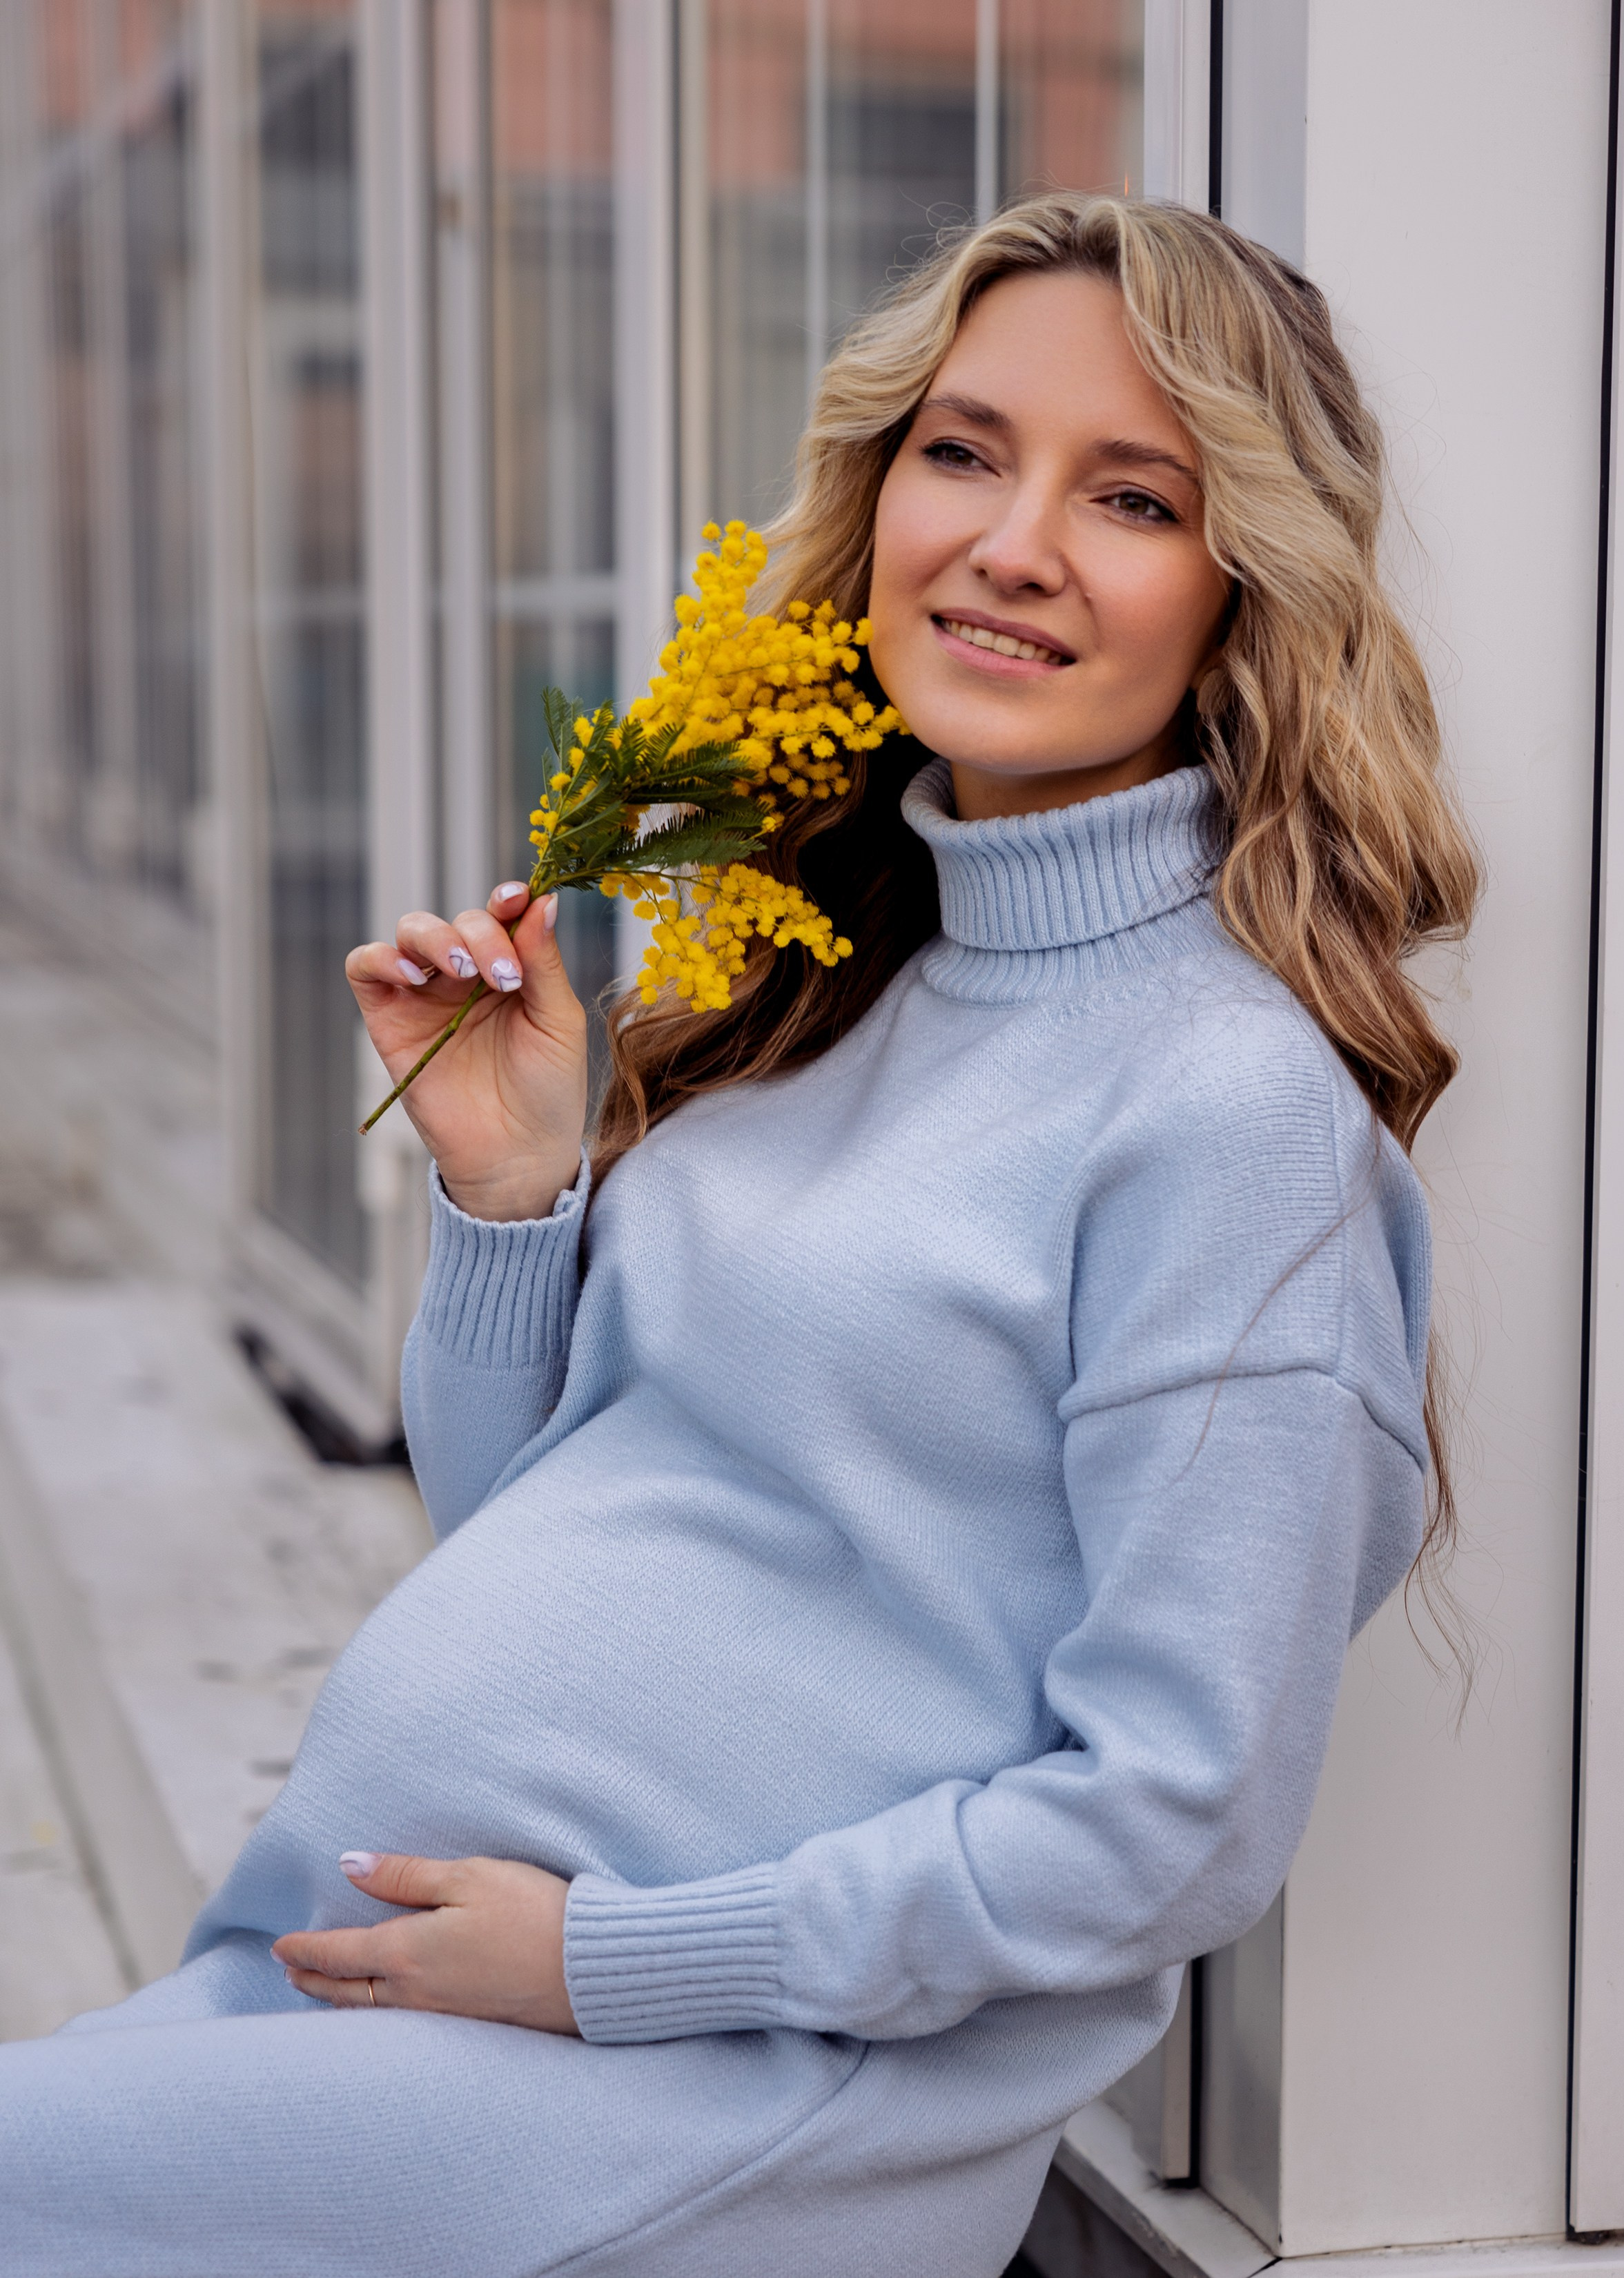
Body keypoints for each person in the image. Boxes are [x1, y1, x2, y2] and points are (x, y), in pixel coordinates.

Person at [0, 193, 1477, 2277]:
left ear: (1246, 595)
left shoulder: (1222, 1112)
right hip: (409, 1999)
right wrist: (514, 1203)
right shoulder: (836, 982)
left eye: (1131, 493)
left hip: (696, 2101)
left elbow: (1175, 1819)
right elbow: (557, 1516)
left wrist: (618, 1959)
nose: (1013, 539)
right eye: (963, 451)